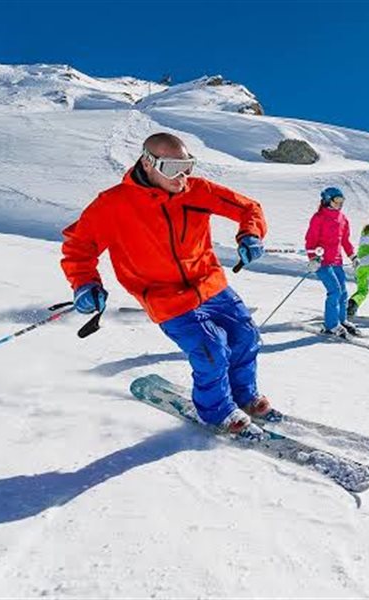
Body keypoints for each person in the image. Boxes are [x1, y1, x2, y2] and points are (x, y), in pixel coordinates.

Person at [60, 132, 272, 439]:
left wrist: (250, 234)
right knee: (211, 350)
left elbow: (248, 208)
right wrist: (84, 284)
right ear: (148, 163)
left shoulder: (199, 191)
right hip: (165, 298)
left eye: (188, 166)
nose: (183, 176)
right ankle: (218, 412)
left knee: (246, 336)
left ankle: (245, 396)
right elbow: (79, 247)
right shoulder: (113, 204)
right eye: (173, 168)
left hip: (210, 283)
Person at [304, 187, 360, 336]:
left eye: (342, 201)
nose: (340, 204)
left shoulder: (343, 218)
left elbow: (345, 241)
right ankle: (331, 325)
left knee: (343, 292)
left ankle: (342, 321)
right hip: (322, 262)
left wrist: (353, 256)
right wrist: (313, 258)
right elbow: (310, 241)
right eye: (337, 201)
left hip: (337, 261)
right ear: (328, 200)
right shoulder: (319, 217)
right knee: (334, 291)